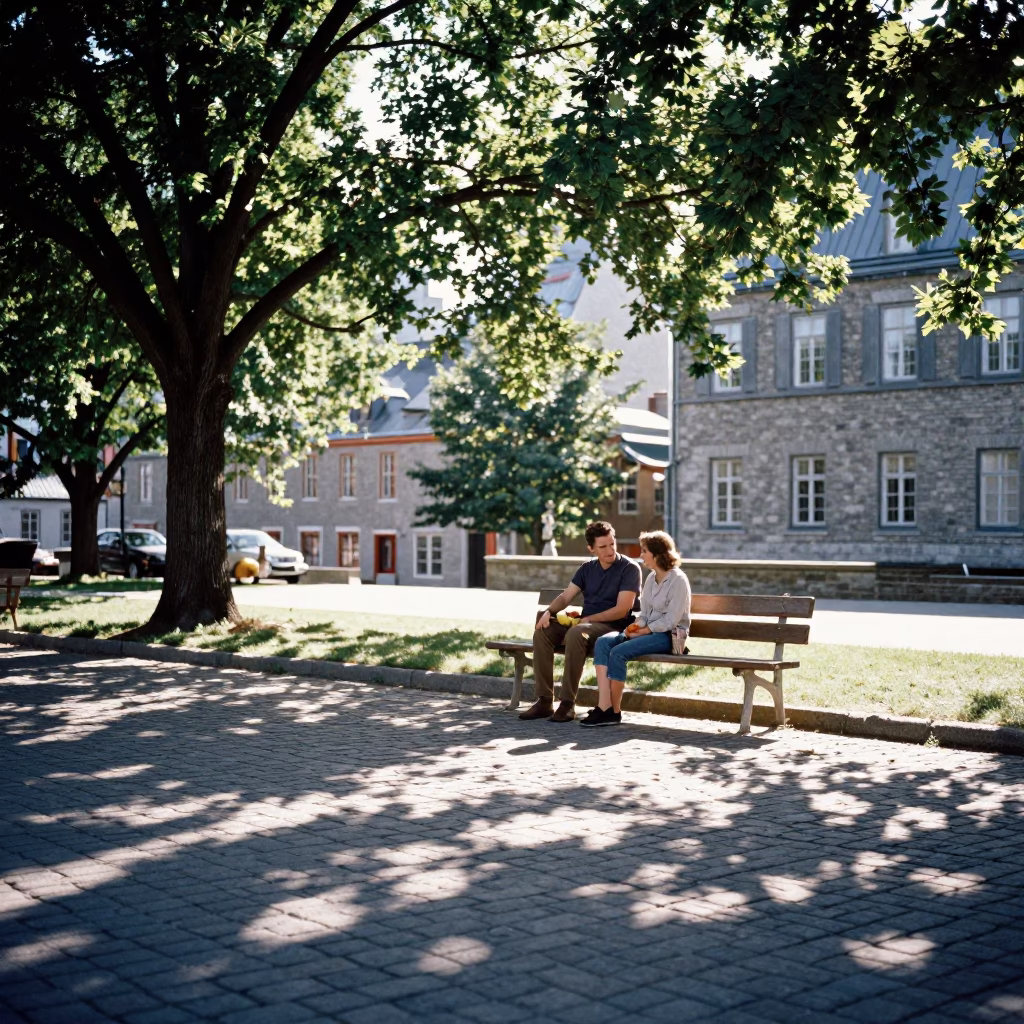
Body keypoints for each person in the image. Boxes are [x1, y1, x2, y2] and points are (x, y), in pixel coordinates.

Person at [519, 521, 641, 723]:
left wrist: (589, 618)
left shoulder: (629, 569)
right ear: (591, 549)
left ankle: (567, 704)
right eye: (603, 547)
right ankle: (544, 701)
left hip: (613, 628)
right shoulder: (587, 569)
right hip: (586, 624)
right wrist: (548, 612)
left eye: (612, 544)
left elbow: (622, 609)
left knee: (577, 633)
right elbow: (566, 597)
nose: (610, 550)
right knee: (543, 631)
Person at [580, 531, 690, 728]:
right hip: (647, 631)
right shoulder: (650, 579)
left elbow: (672, 620)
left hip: (669, 636)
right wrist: (634, 627)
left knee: (619, 652)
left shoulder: (678, 580)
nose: (641, 555)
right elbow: (645, 614)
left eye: (645, 551)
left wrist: (646, 630)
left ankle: (614, 712)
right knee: (604, 642)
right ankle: (603, 706)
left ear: (656, 554)